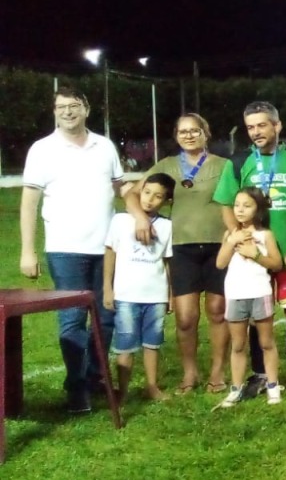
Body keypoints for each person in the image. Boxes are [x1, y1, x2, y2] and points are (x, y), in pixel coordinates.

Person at [19, 85, 126, 413]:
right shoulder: (42, 149)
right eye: (61, 107)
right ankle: (76, 387)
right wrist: (27, 250)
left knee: (106, 317)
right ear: (54, 112)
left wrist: (144, 213)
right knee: (72, 319)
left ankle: (96, 377)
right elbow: (29, 202)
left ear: (86, 109)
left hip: (106, 248)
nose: (68, 111)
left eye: (74, 105)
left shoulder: (104, 146)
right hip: (65, 249)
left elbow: (121, 187)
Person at [127, 113, 232, 395]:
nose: (189, 135)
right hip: (181, 248)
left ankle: (218, 373)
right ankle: (189, 374)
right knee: (185, 317)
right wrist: (140, 218)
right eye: (183, 131)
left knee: (218, 311)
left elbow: (236, 200)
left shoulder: (224, 165)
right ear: (176, 136)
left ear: (205, 133)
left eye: (194, 130)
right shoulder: (167, 165)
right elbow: (131, 194)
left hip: (218, 247)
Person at [214, 101, 286, 394]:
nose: (256, 132)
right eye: (251, 127)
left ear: (277, 126)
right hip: (253, 258)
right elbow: (226, 203)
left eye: (262, 125)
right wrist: (237, 235)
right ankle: (258, 374)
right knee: (257, 317)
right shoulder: (239, 161)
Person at [103, 173, 175, 403]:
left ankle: (151, 387)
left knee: (152, 344)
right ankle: (122, 391)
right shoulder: (120, 221)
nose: (150, 200)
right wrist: (107, 287)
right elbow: (110, 252)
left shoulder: (166, 226)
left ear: (166, 200)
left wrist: (170, 294)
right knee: (125, 344)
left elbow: (167, 261)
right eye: (146, 193)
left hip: (155, 295)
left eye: (158, 196)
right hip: (126, 294)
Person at [215, 187, 285, 408]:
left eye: (247, 205)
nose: (240, 210)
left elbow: (276, 263)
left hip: (260, 293)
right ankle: (235, 389)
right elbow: (220, 263)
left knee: (266, 342)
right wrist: (232, 241)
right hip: (235, 294)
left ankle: (273, 386)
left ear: (258, 208)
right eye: (237, 205)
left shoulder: (265, 235)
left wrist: (254, 254)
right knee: (237, 344)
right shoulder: (230, 234)